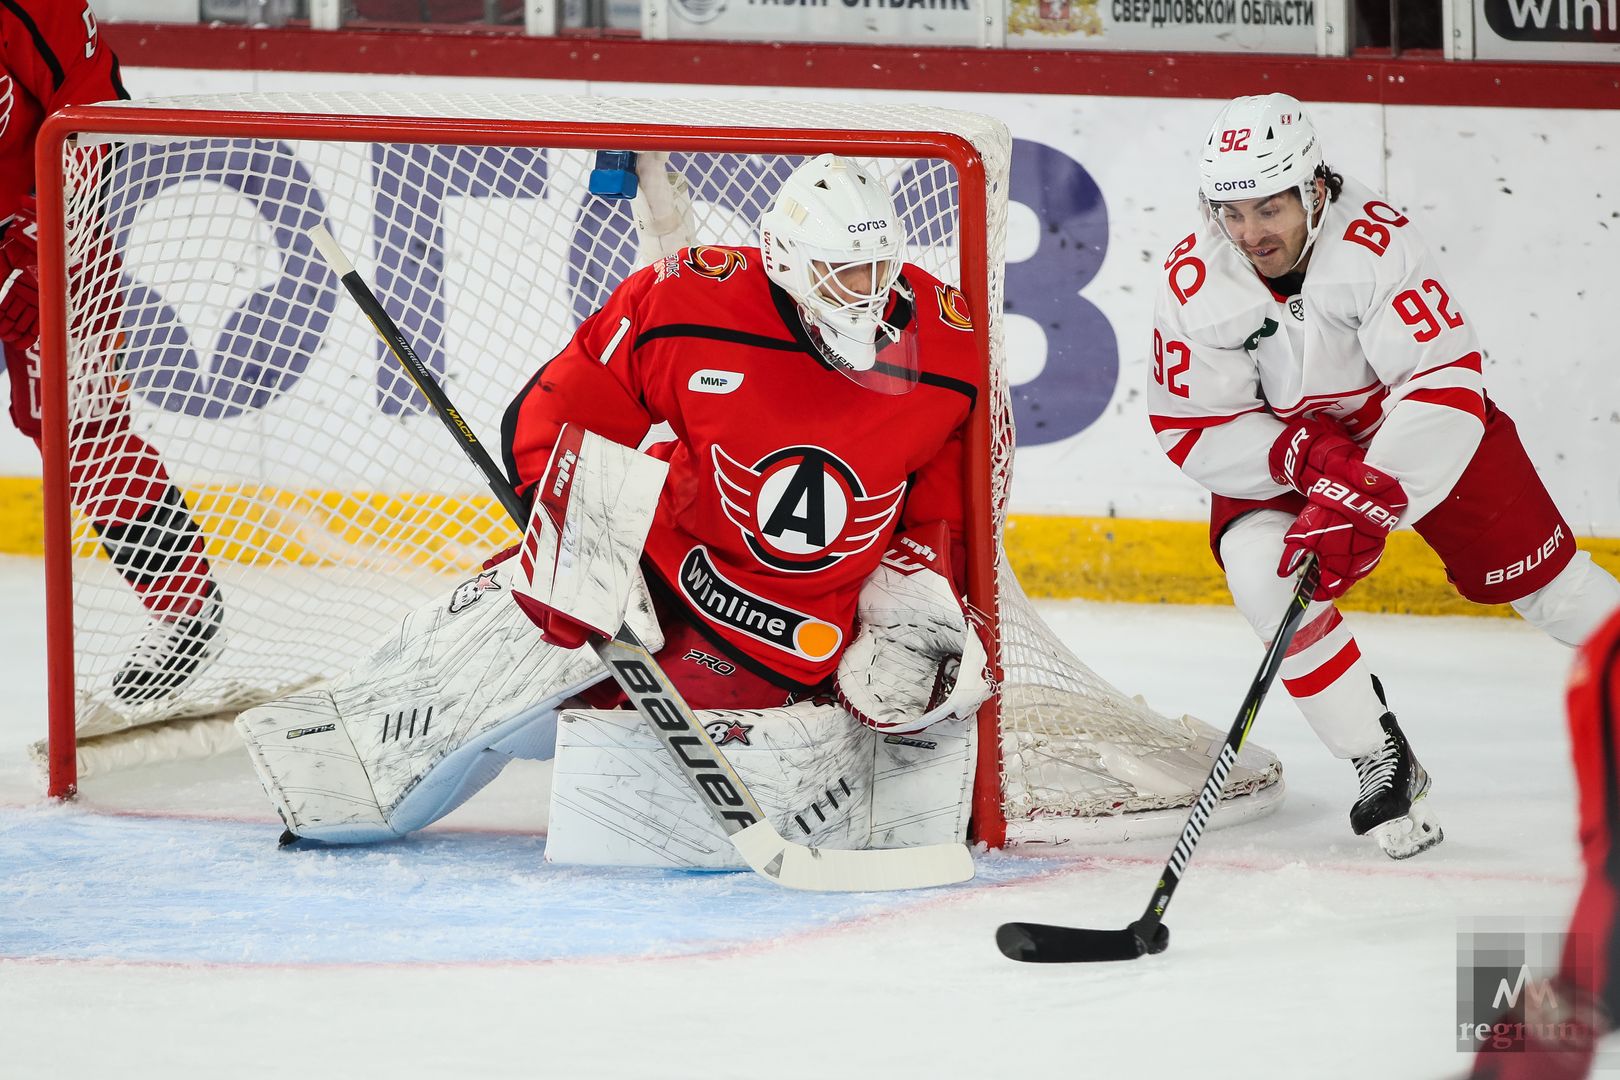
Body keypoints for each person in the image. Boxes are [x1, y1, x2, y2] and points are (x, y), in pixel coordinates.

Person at [236, 154, 991, 845]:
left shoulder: (950, 342)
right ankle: (340, 785)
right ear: (787, 259)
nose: (865, 293)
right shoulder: (691, 301)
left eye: (877, 268)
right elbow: (557, 414)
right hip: (660, 552)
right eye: (839, 271)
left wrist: (913, 595)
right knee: (498, 641)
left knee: (655, 786)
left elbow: (946, 504)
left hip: (781, 630)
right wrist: (581, 542)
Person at [1148, 93, 1620, 859]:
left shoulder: (1373, 244)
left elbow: (1443, 383)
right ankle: (1379, 755)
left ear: (1313, 189)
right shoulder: (1196, 280)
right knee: (1262, 573)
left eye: (1269, 208)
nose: (1249, 233)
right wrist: (1300, 459)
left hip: (1411, 435)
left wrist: (1368, 498)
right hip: (1288, 447)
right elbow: (1190, 424)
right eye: (1231, 212)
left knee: (1548, 584)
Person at [2, 0, 222, 704]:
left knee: (78, 425)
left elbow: (95, 114)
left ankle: (185, 609)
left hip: (52, 236)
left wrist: (44, 241)